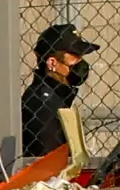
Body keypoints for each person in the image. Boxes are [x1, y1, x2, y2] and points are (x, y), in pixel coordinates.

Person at [21, 23, 97, 164]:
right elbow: (47, 165)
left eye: (81, 57)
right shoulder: (43, 104)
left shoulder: (56, 96)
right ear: (52, 63)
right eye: (74, 59)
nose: (80, 64)